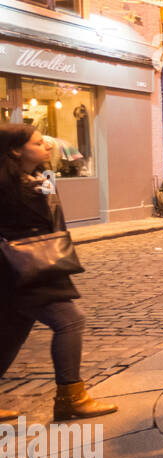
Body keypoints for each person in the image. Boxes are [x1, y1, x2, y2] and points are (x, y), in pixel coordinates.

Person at [0, 123, 116, 423]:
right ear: (16, 150)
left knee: (13, 331)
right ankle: (71, 399)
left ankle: (71, 398)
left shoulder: (40, 179)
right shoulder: (8, 185)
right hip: (23, 268)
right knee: (69, 322)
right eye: (38, 143)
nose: (47, 146)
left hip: (42, 263)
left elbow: (56, 223)